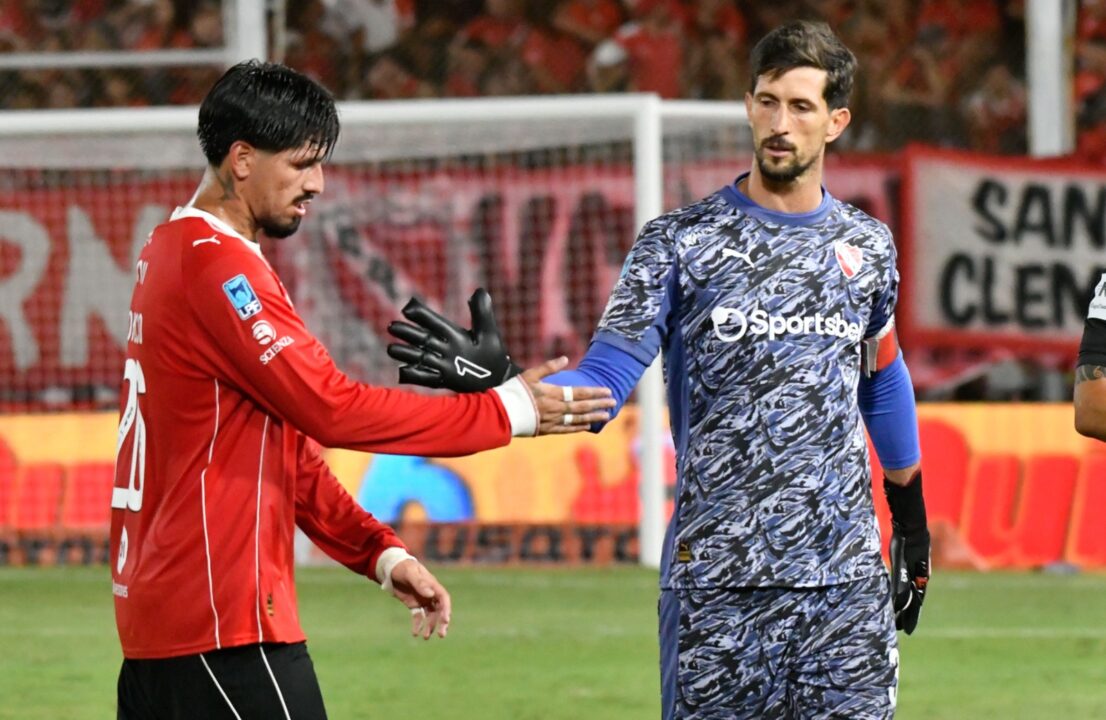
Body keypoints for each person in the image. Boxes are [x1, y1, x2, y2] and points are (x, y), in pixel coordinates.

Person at [387, 21, 931, 719]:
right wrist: (513, 387)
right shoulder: (680, 244)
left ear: (836, 122)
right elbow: (606, 381)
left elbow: (882, 378)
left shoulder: (867, 246)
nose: (780, 123)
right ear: (747, 105)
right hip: (717, 587)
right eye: (767, 102)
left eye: (801, 107)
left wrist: (910, 525)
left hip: (843, 587)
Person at [109, 60, 615, 720]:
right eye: (300, 164)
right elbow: (331, 407)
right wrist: (505, 411)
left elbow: (281, 447)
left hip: (171, 622)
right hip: (221, 624)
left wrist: (378, 552)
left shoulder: (170, 247)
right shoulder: (218, 265)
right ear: (241, 159)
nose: (316, 184)